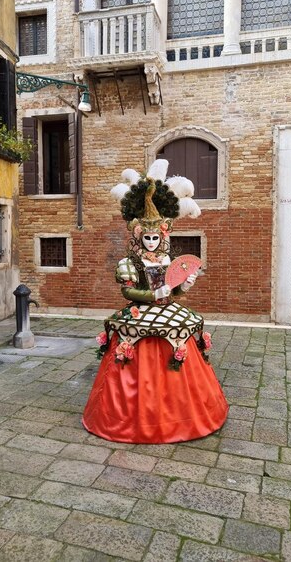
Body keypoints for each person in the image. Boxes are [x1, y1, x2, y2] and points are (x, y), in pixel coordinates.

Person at [82, 160, 228, 444]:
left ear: (162, 234)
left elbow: (175, 293)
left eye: (155, 237)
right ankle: (129, 416)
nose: (151, 242)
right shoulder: (129, 262)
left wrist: (182, 286)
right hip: (140, 312)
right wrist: (153, 295)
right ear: (139, 235)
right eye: (146, 237)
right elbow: (128, 292)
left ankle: (179, 414)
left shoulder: (167, 260)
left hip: (167, 311)